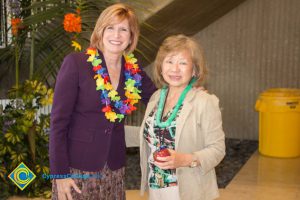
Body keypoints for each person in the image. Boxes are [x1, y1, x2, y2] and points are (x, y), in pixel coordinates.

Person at [49, 3, 156, 200]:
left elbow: (157, 100)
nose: (117, 35)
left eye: (123, 29)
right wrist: (60, 174)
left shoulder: (133, 71)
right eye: (111, 28)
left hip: (114, 167)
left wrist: (186, 91)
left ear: (131, 36)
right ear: (100, 31)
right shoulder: (76, 63)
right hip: (77, 166)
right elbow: (58, 122)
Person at [139, 34, 226, 200]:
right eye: (170, 61)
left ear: (194, 69)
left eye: (183, 63)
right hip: (156, 188)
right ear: (161, 66)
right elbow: (153, 136)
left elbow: (217, 149)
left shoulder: (204, 101)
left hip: (189, 190)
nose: (175, 69)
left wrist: (185, 160)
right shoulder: (156, 97)